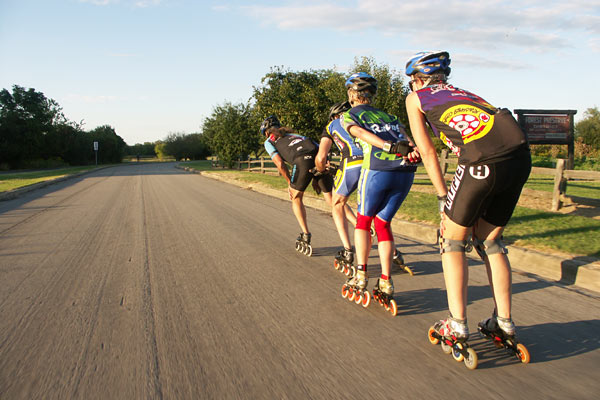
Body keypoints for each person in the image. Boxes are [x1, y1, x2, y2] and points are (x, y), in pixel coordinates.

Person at [404, 51, 531, 343]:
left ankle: (457, 323)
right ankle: (504, 322)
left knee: (451, 239)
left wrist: (441, 195)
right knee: (490, 240)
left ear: (416, 79)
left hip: (481, 161)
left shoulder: (416, 98)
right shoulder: (465, 93)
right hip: (519, 157)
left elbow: (427, 151)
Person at [339, 72, 421, 307]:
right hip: (405, 172)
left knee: (363, 222)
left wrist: (388, 146)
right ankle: (386, 280)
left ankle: (361, 274)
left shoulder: (351, 114)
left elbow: (360, 132)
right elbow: (409, 139)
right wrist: (411, 149)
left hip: (376, 169)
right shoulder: (390, 116)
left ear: (351, 94)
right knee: (383, 224)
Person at [260, 115, 334, 255]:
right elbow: (320, 150)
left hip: (301, 162)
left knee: (296, 197)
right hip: (318, 159)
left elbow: (280, 164)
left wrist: (289, 183)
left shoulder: (269, 141)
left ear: (267, 132)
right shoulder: (296, 135)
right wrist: (316, 176)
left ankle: (306, 234)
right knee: (334, 201)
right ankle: (359, 225)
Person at [315, 101, 362, 271]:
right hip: (374, 162)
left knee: (337, 204)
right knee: (370, 210)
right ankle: (393, 252)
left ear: (334, 116)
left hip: (351, 162)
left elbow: (321, 158)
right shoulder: (362, 120)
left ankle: (348, 250)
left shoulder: (331, 125)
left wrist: (321, 170)